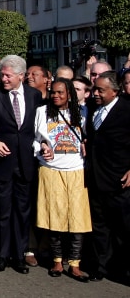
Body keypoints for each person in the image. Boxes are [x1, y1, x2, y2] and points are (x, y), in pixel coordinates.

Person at [0, 55, 41, 274]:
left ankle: (19, 256)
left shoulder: (35, 96)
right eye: (2, 74)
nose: (3, 79)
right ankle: (1, 256)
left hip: (25, 163)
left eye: (7, 75)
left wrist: (44, 145)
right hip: (1, 162)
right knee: (2, 212)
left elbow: (39, 128)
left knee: (22, 212)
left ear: (21, 76)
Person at [32, 78, 90, 281]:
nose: (56, 96)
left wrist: (86, 141)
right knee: (54, 217)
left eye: (60, 93)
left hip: (76, 171)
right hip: (51, 171)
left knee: (78, 220)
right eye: (53, 92)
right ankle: (57, 261)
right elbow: (36, 140)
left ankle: (74, 264)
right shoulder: (42, 112)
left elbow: (89, 136)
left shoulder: (82, 112)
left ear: (69, 95)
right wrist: (43, 147)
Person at [85, 71, 130, 282]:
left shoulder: (126, 110)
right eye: (95, 89)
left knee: (124, 228)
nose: (96, 94)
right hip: (95, 179)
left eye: (101, 90)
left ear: (115, 91)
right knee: (99, 227)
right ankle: (100, 267)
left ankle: (124, 269)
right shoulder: (94, 110)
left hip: (120, 180)